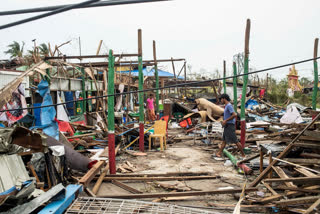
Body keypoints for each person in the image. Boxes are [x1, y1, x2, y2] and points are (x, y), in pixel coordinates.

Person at [216, 94, 245, 158]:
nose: (221, 100)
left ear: (224, 99)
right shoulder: (226, 106)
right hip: (227, 126)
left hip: (230, 126)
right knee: (224, 140)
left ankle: (243, 154)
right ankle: (219, 153)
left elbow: (234, 114)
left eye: (221, 99)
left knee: (235, 141)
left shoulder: (229, 105)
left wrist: (226, 120)